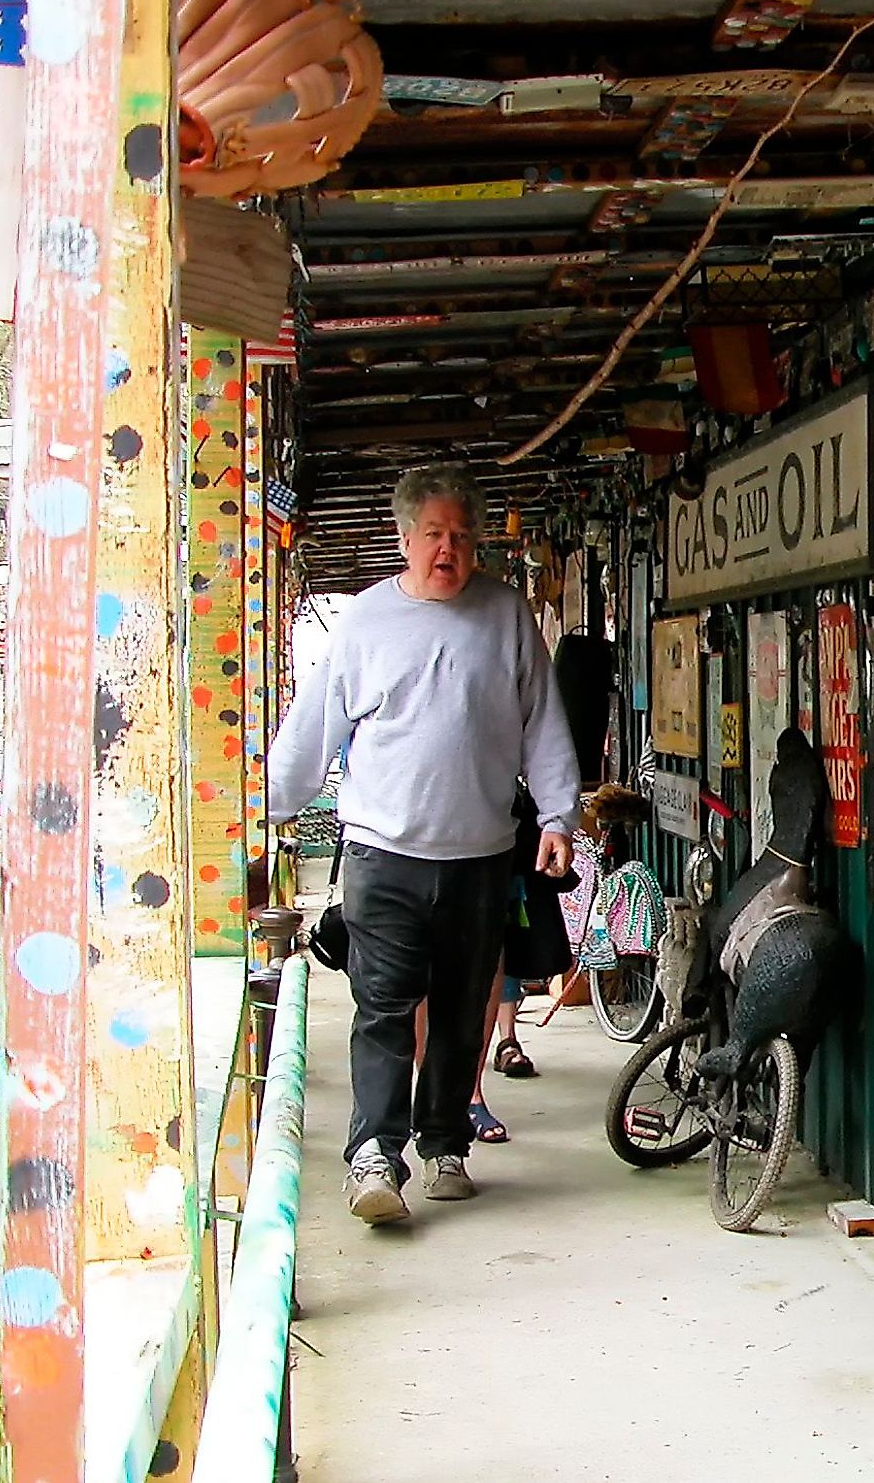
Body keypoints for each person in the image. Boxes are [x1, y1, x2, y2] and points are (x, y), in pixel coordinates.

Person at [267, 462, 581, 1225]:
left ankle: (446, 1144)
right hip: (384, 854)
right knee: (382, 1006)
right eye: (435, 535)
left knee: (464, 1004)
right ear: (406, 539)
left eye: (463, 538)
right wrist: (264, 806)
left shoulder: (506, 617)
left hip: (480, 856)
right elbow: (314, 732)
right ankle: (374, 1155)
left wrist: (558, 817)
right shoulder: (366, 623)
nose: (449, 550)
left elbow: (543, 725)